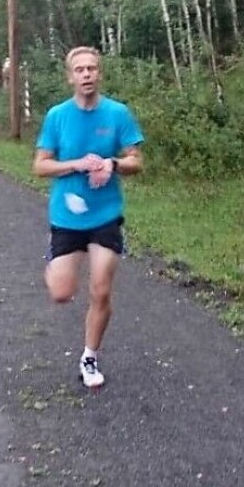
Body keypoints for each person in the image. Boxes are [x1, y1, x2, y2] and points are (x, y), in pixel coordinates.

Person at [33, 46, 144, 388]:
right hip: (67, 215)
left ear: (99, 74)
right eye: (79, 70)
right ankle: (53, 261)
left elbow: (137, 161)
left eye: (91, 69)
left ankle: (89, 356)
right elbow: (40, 165)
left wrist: (113, 164)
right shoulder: (57, 116)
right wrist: (77, 164)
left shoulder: (117, 114)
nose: (86, 75)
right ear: (70, 77)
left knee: (100, 290)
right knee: (62, 293)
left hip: (105, 214)